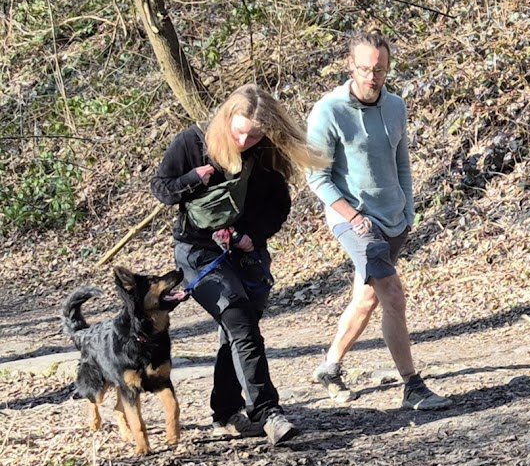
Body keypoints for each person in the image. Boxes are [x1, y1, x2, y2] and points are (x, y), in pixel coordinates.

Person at [151, 84, 326, 443]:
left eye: (255, 135)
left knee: (237, 331)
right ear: (227, 118)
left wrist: (252, 235)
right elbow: (161, 188)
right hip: (197, 252)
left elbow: (278, 206)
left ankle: (227, 413)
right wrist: (192, 179)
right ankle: (268, 413)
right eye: (240, 132)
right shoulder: (192, 142)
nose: (245, 141)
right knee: (240, 321)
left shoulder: (265, 153)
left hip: (245, 255)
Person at [306, 30, 452, 410]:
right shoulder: (328, 111)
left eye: (380, 70)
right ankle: (412, 386)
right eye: (365, 69)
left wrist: (408, 211)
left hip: (393, 217)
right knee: (393, 296)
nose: (373, 77)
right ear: (350, 66)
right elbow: (316, 177)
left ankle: (330, 366)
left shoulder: (396, 107)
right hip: (353, 220)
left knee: (367, 297)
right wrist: (353, 217)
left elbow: (402, 163)